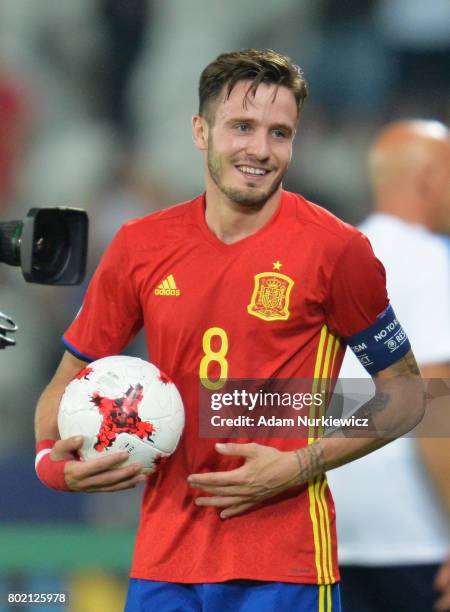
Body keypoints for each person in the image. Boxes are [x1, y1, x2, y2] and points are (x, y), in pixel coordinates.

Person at [34, 50, 424, 612]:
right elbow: (66, 383)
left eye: (280, 133)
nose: (261, 150)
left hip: (286, 567)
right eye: (242, 126)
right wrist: (54, 467)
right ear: (201, 130)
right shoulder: (140, 247)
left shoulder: (338, 251)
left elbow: (411, 394)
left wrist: (297, 465)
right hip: (163, 566)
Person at [328, 120, 450, 612]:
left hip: (335, 525)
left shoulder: (338, 257)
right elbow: (433, 405)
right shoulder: (432, 261)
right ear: (428, 179)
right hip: (417, 529)